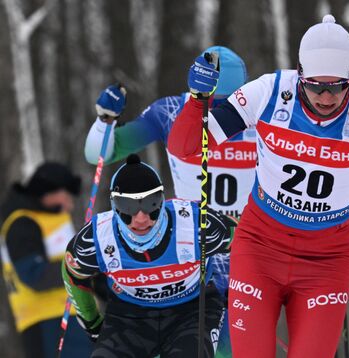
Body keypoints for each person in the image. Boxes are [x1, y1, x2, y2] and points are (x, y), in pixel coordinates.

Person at [167, 14, 349, 357]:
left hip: (326, 261)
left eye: (337, 86)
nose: (326, 97)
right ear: (299, 74)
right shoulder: (269, 92)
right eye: (315, 85)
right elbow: (185, 147)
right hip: (260, 247)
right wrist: (197, 100)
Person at [84, 45, 251, 356]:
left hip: (248, 248)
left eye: (230, 104)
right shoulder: (172, 111)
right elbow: (100, 155)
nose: (221, 114)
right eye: (213, 103)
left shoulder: (257, 112)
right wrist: (104, 121)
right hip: (193, 252)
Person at [62, 154, 237, 357]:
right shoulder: (98, 238)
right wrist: (92, 325)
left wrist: (235, 290)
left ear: (162, 200)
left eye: (151, 204)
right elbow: (73, 274)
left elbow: (245, 241)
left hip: (193, 311)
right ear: (115, 206)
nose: (141, 217)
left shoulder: (195, 223)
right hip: (129, 318)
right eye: (128, 207)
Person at [0, 162, 93, 358]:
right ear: (49, 192)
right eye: (67, 197)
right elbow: (35, 275)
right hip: (46, 322)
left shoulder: (54, 220)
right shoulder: (22, 223)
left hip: (73, 318)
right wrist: (83, 267)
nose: (70, 205)